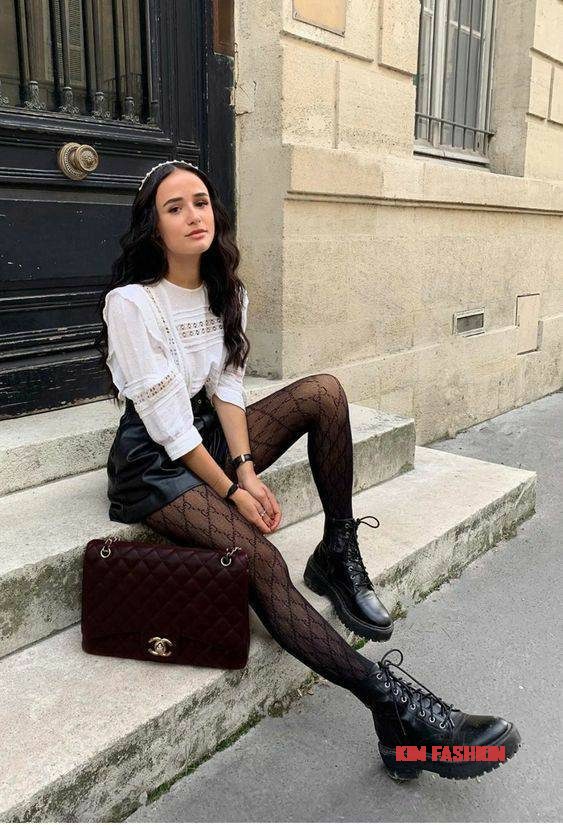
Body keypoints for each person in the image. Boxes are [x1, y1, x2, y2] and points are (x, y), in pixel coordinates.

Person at [95, 159, 521, 781]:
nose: (194, 216)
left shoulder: (225, 291)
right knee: (262, 560)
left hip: (206, 437)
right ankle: (397, 706)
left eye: (202, 202)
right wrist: (233, 492)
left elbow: (227, 390)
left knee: (323, 391)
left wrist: (246, 469)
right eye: (175, 207)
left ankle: (338, 552)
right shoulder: (132, 304)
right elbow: (168, 427)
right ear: (152, 227)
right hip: (153, 465)